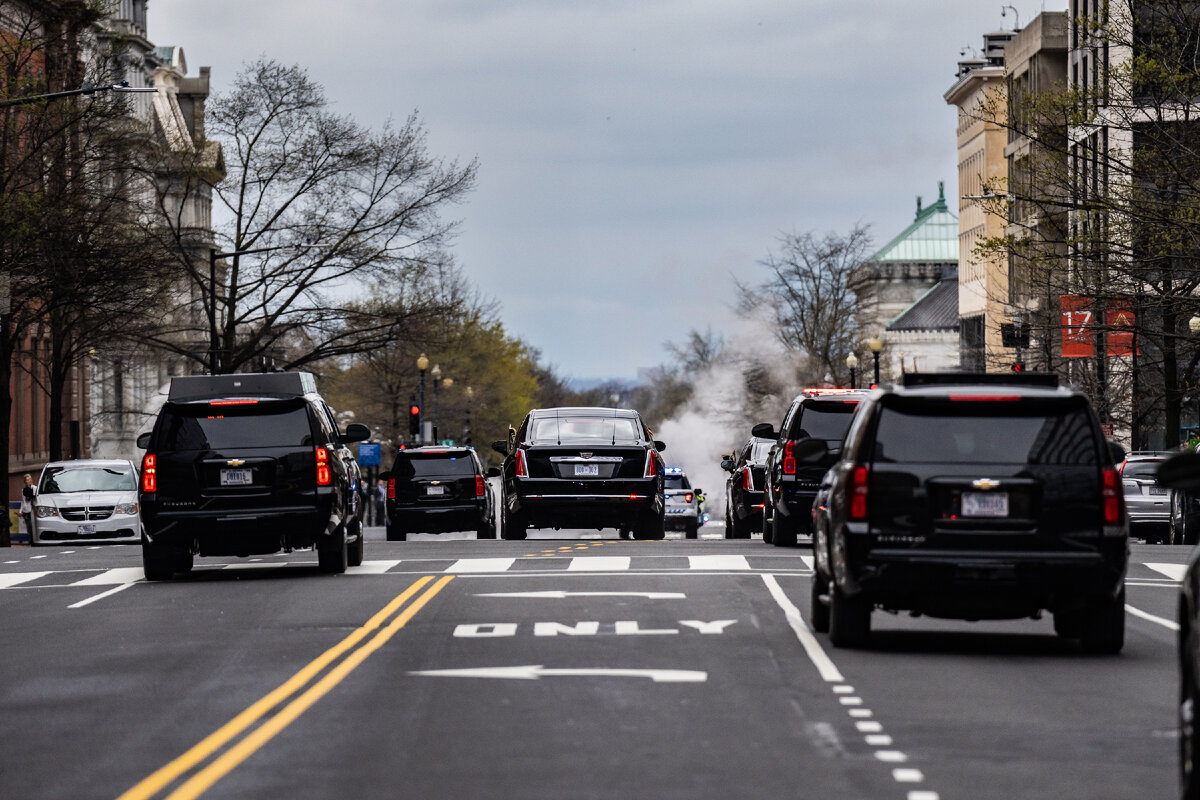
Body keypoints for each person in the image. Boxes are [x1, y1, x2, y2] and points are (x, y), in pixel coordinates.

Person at [19, 473, 35, 541]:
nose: (27, 481)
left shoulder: (34, 488)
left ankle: (33, 540)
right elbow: (23, 501)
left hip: (32, 510)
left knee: (32, 526)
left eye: (28, 479)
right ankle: (31, 540)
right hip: (25, 511)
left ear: (31, 480)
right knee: (28, 527)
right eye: (26, 480)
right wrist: (20, 511)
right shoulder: (23, 490)